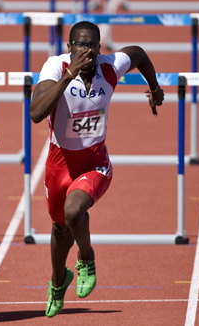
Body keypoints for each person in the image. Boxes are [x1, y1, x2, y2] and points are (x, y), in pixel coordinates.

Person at [29, 21, 165, 317]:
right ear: (69, 47)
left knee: (74, 211)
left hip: (95, 162)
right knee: (59, 228)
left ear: (100, 48)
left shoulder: (110, 67)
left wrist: (155, 89)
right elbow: (36, 113)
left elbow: (139, 53)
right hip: (59, 163)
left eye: (92, 45)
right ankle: (57, 281)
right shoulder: (55, 66)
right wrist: (68, 76)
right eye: (80, 45)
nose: (86, 51)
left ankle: (86, 257)